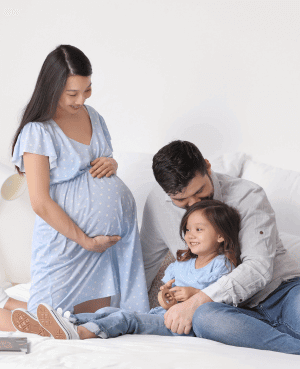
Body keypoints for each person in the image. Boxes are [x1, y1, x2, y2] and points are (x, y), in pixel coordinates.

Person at [9, 45, 149, 333]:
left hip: (110, 247)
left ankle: (11, 302)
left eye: (87, 90)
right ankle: (6, 308)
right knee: (41, 320)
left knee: (85, 316)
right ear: (52, 88)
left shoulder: (93, 115)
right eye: (72, 93)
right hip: (68, 242)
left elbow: (99, 162)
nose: (81, 99)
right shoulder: (38, 131)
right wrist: (86, 240)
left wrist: (112, 163)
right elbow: (40, 202)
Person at [140, 140, 300, 355]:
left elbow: (258, 266)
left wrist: (195, 302)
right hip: (230, 311)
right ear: (167, 193)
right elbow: (144, 264)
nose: (193, 204)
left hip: (281, 292)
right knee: (205, 318)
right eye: (181, 199)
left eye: (199, 192)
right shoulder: (158, 204)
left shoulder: (248, 195)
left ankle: (274, 341)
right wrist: (134, 316)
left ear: (207, 167)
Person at [12, 200, 241, 340]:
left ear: (221, 235)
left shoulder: (222, 266)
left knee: (125, 318)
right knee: (107, 312)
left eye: (199, 229)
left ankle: (82, 333)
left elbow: (223, 307)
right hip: (162, 315)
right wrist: (165, 298)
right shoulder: (180, 265)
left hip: (180, 326)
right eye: (188, 229)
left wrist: (192, 294)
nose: (190, 235)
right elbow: (163, 301)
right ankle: (59, 323)